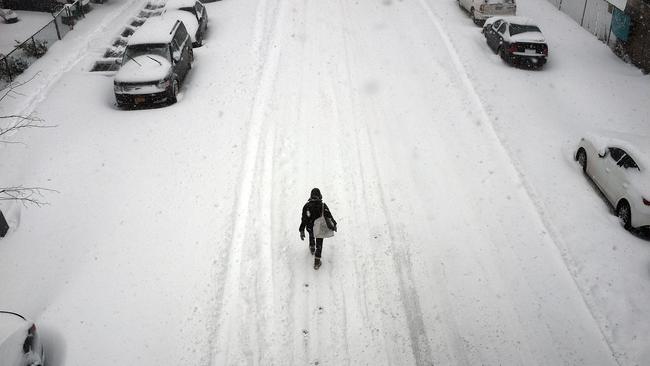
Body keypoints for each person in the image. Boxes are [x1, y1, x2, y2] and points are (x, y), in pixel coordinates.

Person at [299, 188, 337, 270]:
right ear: (320, 195)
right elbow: (329, 216)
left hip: (310, 228)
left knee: (311, 235)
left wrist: (302, 230)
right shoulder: (323, 205)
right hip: (320, 228)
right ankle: (317, 261)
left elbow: (304, 219)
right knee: (319, 243)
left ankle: (312, 247)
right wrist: (334, 224)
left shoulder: (307, 206)